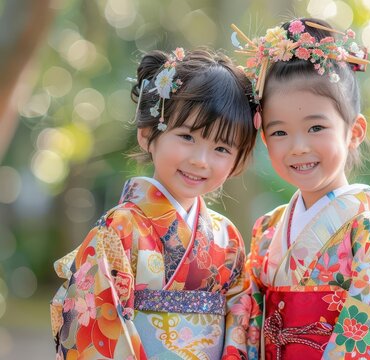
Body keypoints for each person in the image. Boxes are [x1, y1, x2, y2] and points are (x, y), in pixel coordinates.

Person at [231, 18, 370, 359]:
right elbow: (250, 323)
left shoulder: (365, 231)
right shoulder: (267, 230)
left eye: (316, 127)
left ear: (354, 131)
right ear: (264, 138)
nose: (298, 147)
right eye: (280, 132)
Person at [50, 47, 258, 359]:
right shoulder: (118, 229)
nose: (200, 160)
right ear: (148, 133)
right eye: (187, 137)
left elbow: (240, 323)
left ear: (239, 159)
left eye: (222, 148)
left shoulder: (228, 239)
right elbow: (92, 327)